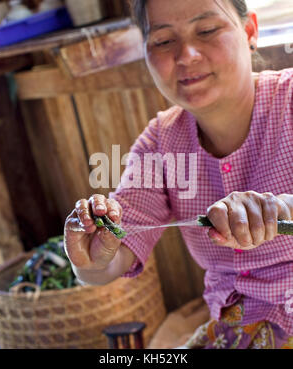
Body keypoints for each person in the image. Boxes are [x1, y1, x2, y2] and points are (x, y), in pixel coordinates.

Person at [64, 0, 293, 349]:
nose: (186, 55)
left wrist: (282, 209)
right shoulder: (160, 143)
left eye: (206, 30)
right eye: (163, 41)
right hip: (236, 331)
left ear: (250, 32)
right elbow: (111, 254)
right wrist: (91, 261)